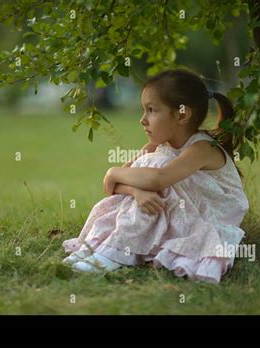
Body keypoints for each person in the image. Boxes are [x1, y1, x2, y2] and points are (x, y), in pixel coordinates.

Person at [62, 68, 249, 283]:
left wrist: (113, 171)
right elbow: (111, 185)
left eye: (151, 110)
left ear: (181, 114)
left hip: (208, 219)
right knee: (144, 175)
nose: (143, 119)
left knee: (154, 168)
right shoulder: (157, 146)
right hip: (177, 212)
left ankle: (115, 252)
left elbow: (154, 179)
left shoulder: (202, 148)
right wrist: (136, 191)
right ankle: (103, 244)